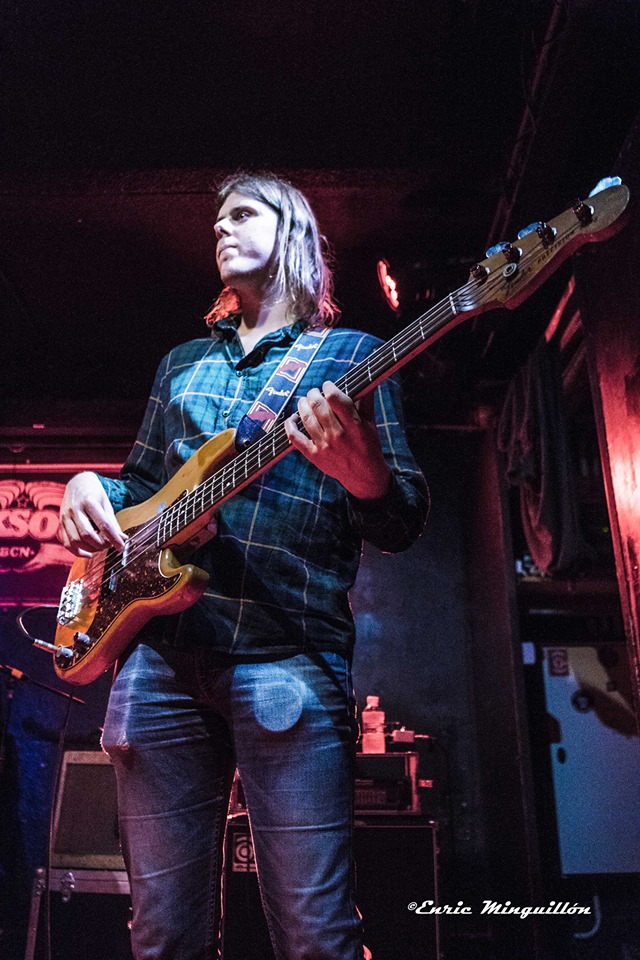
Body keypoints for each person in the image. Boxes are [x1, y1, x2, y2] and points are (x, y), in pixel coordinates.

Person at [59, 172, 429, 960]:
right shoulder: (183, 363)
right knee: (162, 936)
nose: (221, 228)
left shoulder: (354, 356)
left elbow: (402, 516)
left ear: (292, 230)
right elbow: (143, 488)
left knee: (315, 936)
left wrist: (362, 474)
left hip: (286, 650)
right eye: (217, 219)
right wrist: (90, 485)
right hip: (161, 659)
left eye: (243, 214)